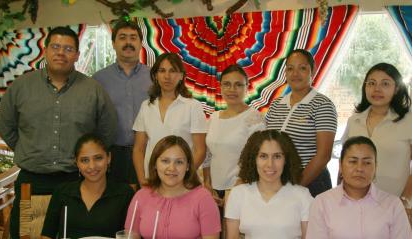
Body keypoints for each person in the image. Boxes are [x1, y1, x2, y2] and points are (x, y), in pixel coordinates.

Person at [0, 26, 117, 238]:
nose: (61, 53)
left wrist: (87, 160)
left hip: (77, 181)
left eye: (68, 48)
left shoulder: (93, 90)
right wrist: (29, 148)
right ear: (45, 50)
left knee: (72, 234)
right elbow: (5, 125)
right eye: (56, 46)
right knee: (25, 234)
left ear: (77, 55)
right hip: (32, 180)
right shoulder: (21, 86)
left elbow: (107, 132)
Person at [342, 63, 412, 208]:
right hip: (355, 204)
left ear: (397, 88)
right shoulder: (354, 120)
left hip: (394, 204)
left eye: (385, 84)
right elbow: (345, 164)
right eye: (371, 83)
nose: (377, 89)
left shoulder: (410, 120)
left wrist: (404, 201)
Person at [306, 136, 412, 239]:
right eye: (353, 161)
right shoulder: (322, 203)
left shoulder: (393, 205)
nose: (360, 168)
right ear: (341, 166)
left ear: (376, 167)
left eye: (367, 163)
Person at [265, 49, 337, 197]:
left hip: (311, 182)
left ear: (313, 71)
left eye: (302, 68)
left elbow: (324, 155)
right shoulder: (276, 104)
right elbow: (267, 142)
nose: (295, 74)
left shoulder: (323, 104)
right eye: (290, 68)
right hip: (278, 181)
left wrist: (296, 186)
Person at [132, 53, 207, 186]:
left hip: (183, 183)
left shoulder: (192, 106)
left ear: (181, 76)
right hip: (152, 182)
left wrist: (181, 177)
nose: (167, 76)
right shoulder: (146, 106)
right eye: (162, 71)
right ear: (155, 75)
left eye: (173, 71)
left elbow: (200, 151)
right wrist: (142, 180)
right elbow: (139, 149)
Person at [125, 135, 220, 238]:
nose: (172, 168)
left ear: (188, 166)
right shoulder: (141, 196)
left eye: (179, 162)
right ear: (155, 164)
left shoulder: (203, 199)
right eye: (165, 161)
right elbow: (130, 235)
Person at [41, 134, 134, 239]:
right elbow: (46, 235)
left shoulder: (125, 194)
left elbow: (130, 235)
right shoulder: (62, 192)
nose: (92, 166)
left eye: (98, 158)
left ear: (109, 158)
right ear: (77, 163)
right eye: (85, 160)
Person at [93, 20, 152, 184]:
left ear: (141, 44)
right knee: (115, 207)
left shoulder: (155, 77)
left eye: (133, 38)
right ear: (113, 43)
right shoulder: (98, 80)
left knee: (148, 204)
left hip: (149, 153)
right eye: (122, 37)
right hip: (112, 156)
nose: (128, 42)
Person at [225, 129, 313, 239]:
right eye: (263, 156)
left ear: (286, 160)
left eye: (277, 156)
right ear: (254, 159)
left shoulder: (302, 196)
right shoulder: (238, 194)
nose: (270, 164)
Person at [203, 64, 265, 204]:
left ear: (246, 87)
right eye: (227, 84)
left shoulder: (254, 119)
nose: (232, 89)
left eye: (238, 85)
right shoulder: (214, 117)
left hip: (242, 189)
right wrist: (207, 183)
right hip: (213, 190)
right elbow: (208, 154)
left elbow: (257, 158)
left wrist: (236, 189)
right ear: (220, 87)